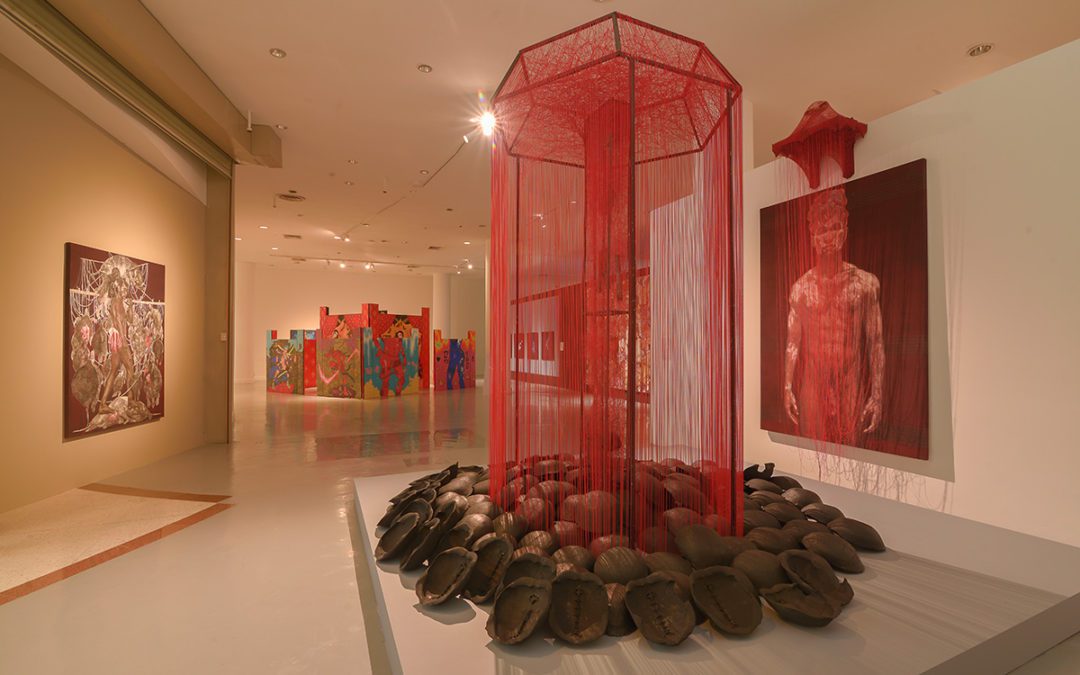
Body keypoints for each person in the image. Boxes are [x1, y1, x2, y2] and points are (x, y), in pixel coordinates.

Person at [783, 188, 884, 444]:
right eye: (821, 230)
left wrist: (877, 393)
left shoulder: (864, 284)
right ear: (813, 238)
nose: (828, 237)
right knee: (807, 446)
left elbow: (875, 342)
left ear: (845, 231)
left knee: (852, 446)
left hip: (849, 376)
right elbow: (793, 342)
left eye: (834, 228)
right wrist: (787, 386)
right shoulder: (801, 289)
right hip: (814, 379)